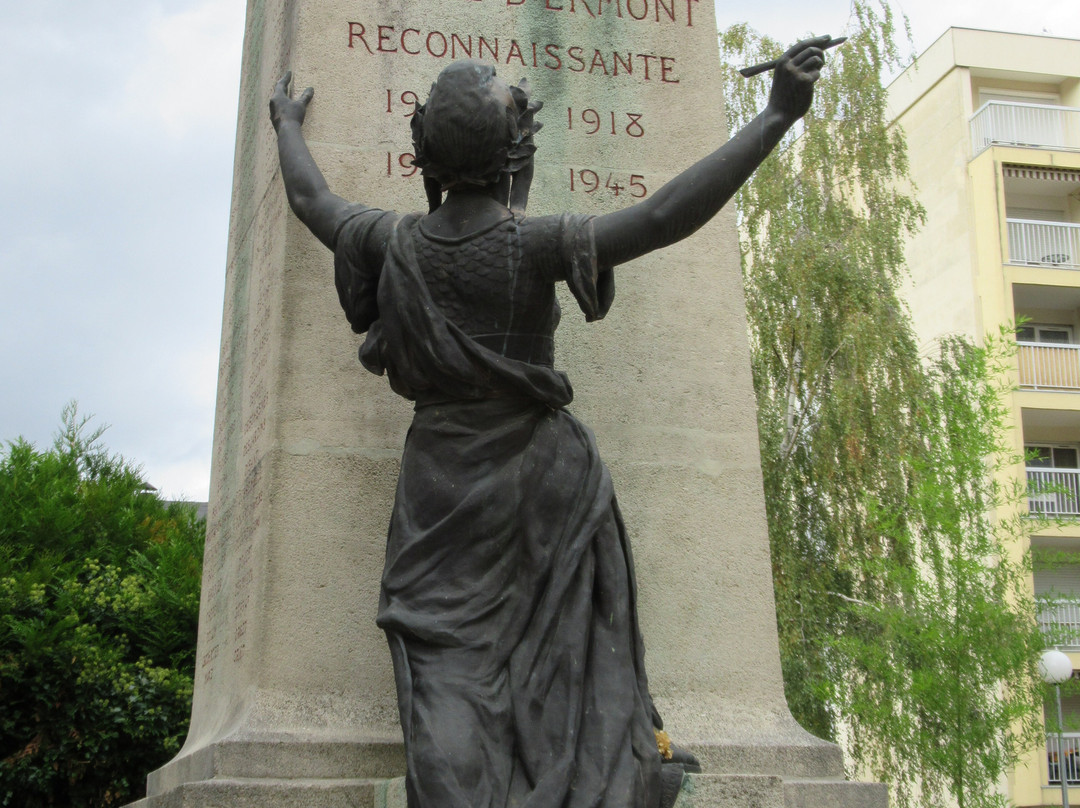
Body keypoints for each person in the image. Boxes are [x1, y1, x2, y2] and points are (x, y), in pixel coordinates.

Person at [270, 39, 827, 808]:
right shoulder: (533, 244)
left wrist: (287, 123)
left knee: (446, 659)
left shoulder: (392, 241)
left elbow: (311, 201)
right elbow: (664, 216)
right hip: (544, 476)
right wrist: (775, 117)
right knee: (566, 646)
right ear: (511, 153)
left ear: (423, 153)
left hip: (441, 486)